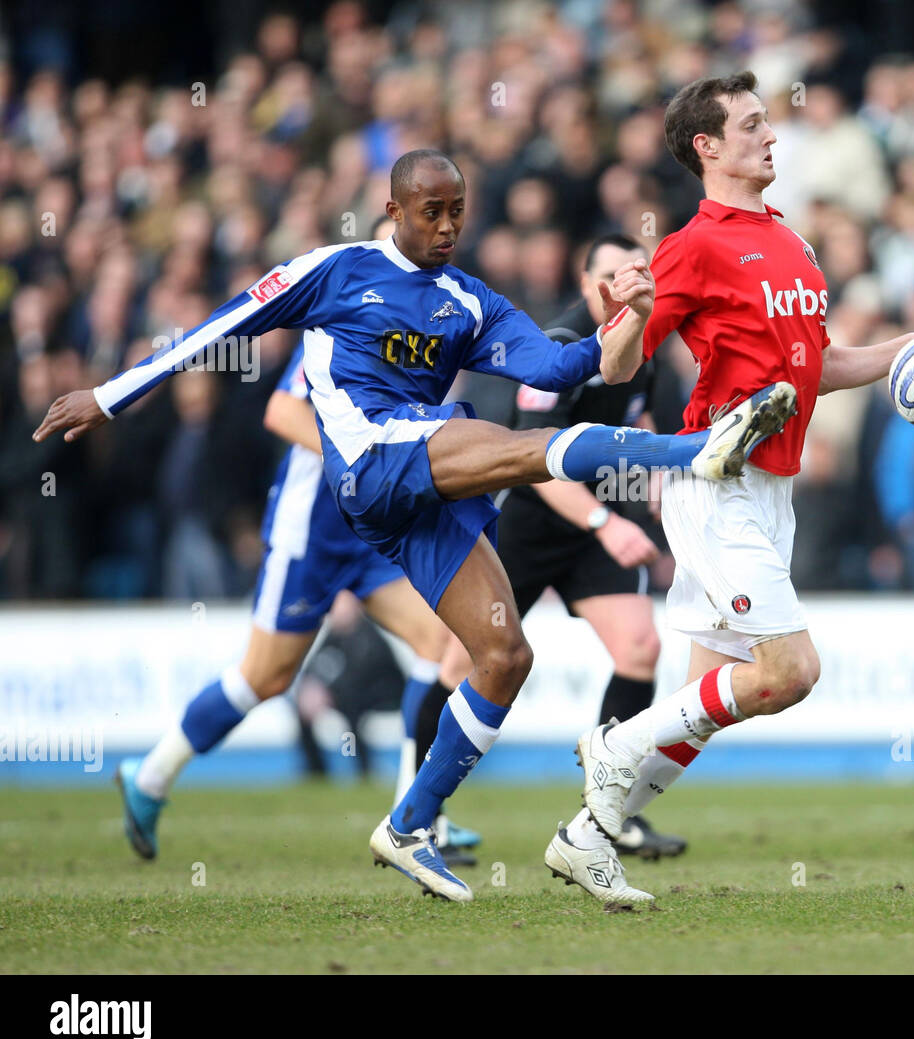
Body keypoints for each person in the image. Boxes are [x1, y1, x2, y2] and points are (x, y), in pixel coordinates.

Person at [34, 148, 796, 904]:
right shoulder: (333, 272)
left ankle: (409, 823)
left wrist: (624, 317)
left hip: (417, 488)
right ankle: (700, 450)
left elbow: (559, 369)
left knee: (501, 654)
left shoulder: (467, 301)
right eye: (431, 211)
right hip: (367, 464)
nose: (447, 226)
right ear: (394, 210)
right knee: (517, 454)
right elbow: (227, 322)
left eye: (457, 211)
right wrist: (109, 394)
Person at [547, 73, 914, 903]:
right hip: (718, 480)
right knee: (790, 671)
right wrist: (632, 312)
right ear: (706, 147)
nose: (770, 137)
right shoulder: (692, 246)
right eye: (750, 126)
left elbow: (821, 367)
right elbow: (615, 367)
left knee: (704, 705)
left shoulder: (791, 242)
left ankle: (587, 837)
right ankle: (614, 746)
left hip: (771, 492)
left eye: (767, 123)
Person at [112, 339, 461, 862]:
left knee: (441, 641)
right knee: (264, 677)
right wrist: (360, 455)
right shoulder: (347, 328)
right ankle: (152, 775)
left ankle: (411, 821)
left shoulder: (416, 335)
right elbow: (281, 411)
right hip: (310, 535)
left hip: (370, 532)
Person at [429, 234, 687, 863]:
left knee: (640, 648)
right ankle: (422, 817)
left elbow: (639, 415)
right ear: (586, 282)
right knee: (457, 666)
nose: (627, 286)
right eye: (612, 274)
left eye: (637, 274)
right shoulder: (562, 347)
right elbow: (531, 461)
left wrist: (655, 478)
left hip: (595, 527)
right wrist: (608, 523)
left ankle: (607, 815)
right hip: (534, 523)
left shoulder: (643, 340)